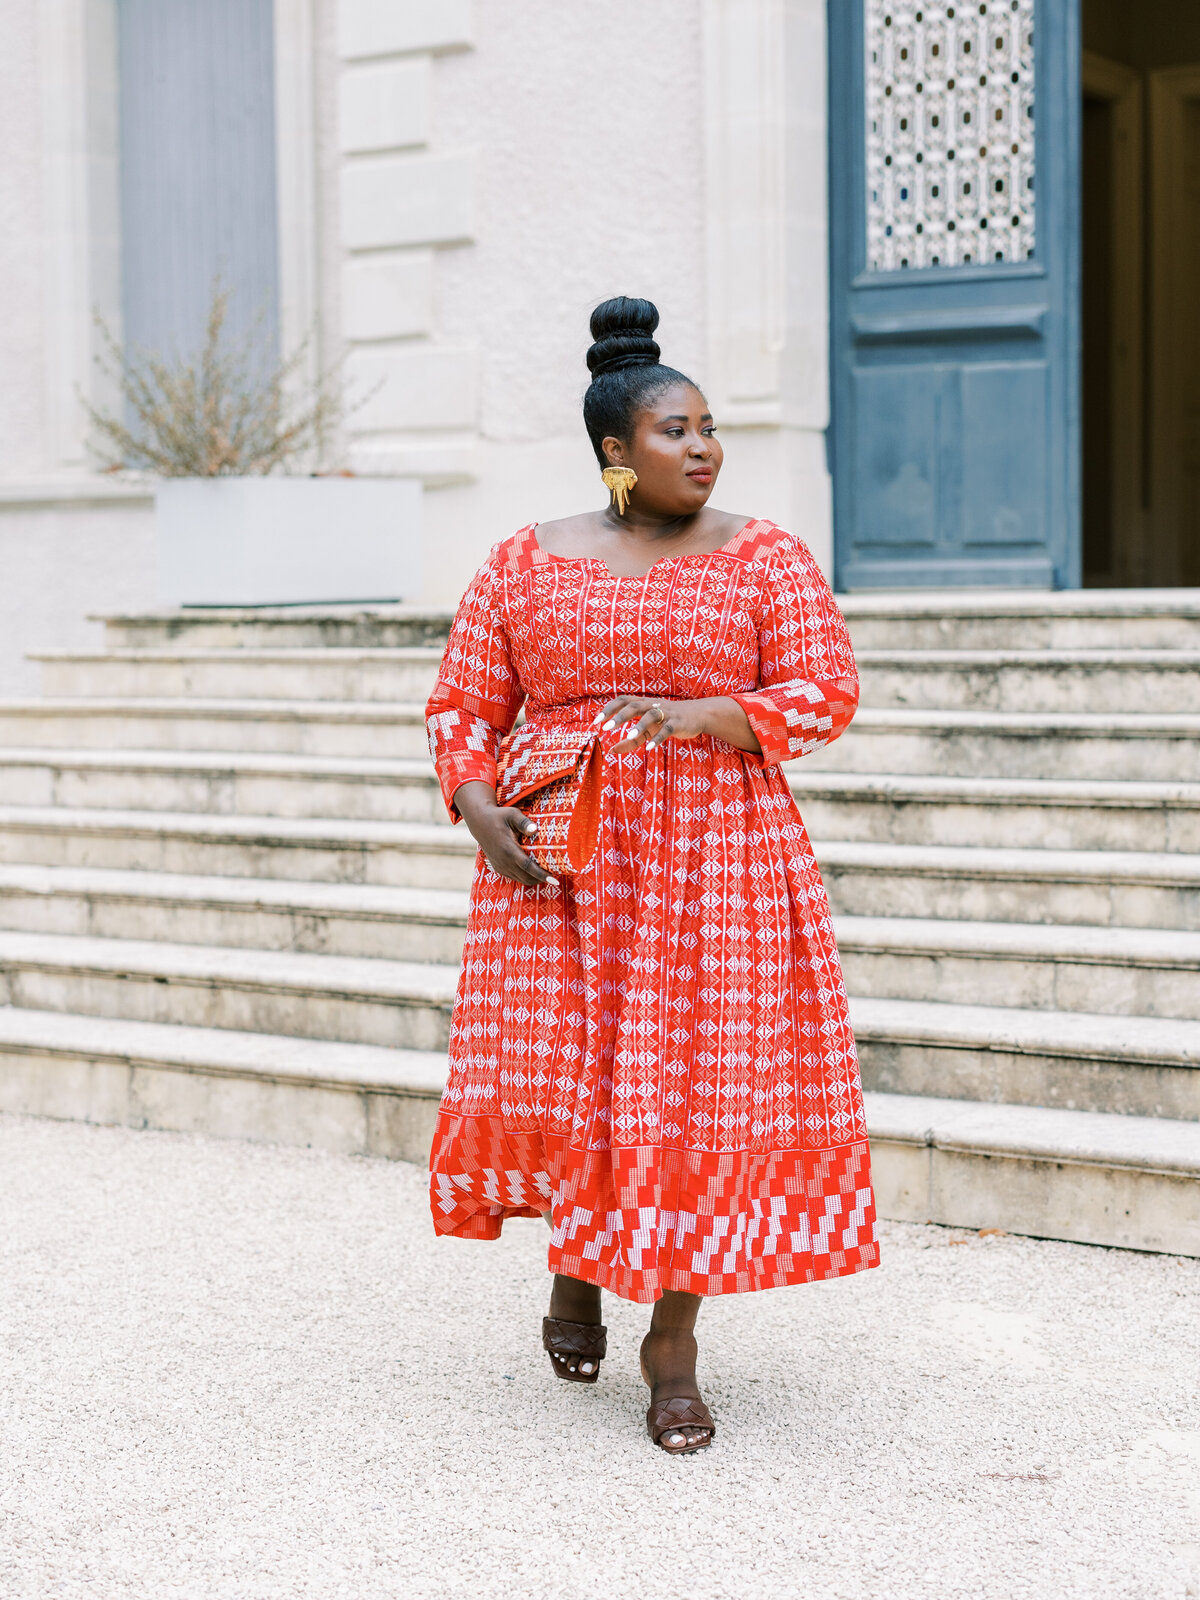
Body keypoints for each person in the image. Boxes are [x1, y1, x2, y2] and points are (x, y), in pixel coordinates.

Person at [425, 296, 878, 1455]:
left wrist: (706, 711)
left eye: (712, 428)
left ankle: (671, 1341)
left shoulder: (764, 555)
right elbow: (463, 704)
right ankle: (576, 1274)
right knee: (583, 1080)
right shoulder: (526, 562)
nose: (705, 448)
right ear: (618, 452)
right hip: (559, 870)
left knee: (692, 1089)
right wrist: (480, 811)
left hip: (714, 868)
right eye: (678, 430)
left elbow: (826, 689)